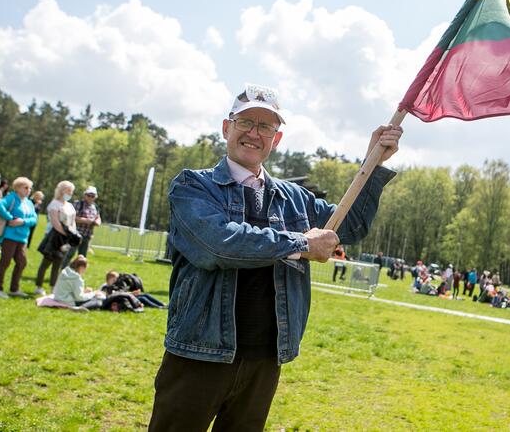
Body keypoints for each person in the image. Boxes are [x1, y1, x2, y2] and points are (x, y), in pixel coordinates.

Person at [147, 83, 402, 430]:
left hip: (265, 359)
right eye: (246, 122)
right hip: (199, 354)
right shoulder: (193, 186)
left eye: (265, 126)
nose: (254, 133)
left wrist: (372, 163)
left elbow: (349, 225)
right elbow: (219, 244)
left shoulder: (294, 198)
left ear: (276, 139)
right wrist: (300, 243)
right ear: (227, 128)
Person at [0, 177, 38, 299]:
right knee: (5, 262)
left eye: (30, 188)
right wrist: (10, 218)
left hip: (22, 238)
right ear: (17, 188)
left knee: (22, 262)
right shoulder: (11, 197)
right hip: (9, 236)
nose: (29, 190)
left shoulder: (29, 202)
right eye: (26, 187)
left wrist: (22, 221)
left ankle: (14, 289)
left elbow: (34, 219)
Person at [35, 181, 77, 295]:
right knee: (46, 262)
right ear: (62, 191)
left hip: (66, 239)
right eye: (68, 191)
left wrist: (71, 235)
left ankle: (53, 287)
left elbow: (72, 222)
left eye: (71, 191)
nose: (70, 193)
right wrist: (66, 233)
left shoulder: (70, 206)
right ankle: (39, 286)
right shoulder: (54, 204)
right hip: (54, 237)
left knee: (58, 264)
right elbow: (55, 222)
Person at [64, 186, 101, 265]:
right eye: (89, 195)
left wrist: (97, 222)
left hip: (87, 236)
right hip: (75, 234)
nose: (90, 197)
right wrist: (86, 221)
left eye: (93, 196)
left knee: (82, 257)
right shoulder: (78, 204)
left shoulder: (95, 207)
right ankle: (62, 272)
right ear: (85, 195)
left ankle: (77, 274)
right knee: (69, 254)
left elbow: (98, 218)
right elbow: (71, 217)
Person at [101, 271, 165, 308]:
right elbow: (116, 295)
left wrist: (132, 293)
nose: (116, 281)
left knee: (145, 295)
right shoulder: (106, 287)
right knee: (142, 298)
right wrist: (131, 294)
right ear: (108, 280)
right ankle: (159, 307)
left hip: (126, 297)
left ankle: (162, 304)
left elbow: (121, 292)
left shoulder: (114, 286)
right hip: (122, 300)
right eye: (114, 280)